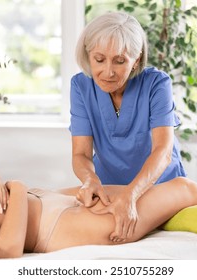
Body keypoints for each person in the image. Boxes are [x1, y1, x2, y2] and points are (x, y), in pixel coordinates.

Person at [0, 169, 197, 258]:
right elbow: (8, 249)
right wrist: (16, 186)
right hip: (66, 226)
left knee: (179, 192)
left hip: (57, 202)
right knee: (182, 189)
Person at [69, 11, 186, 241]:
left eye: (120, 61)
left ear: (136, 59)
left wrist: (131, 195)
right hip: (110, 189)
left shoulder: (157, 84)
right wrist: (90, 180)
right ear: (88, 55)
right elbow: (81, 153)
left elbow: (163, 152)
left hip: (161, 187)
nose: (108, 71)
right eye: (99, 59)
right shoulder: (80, 86)